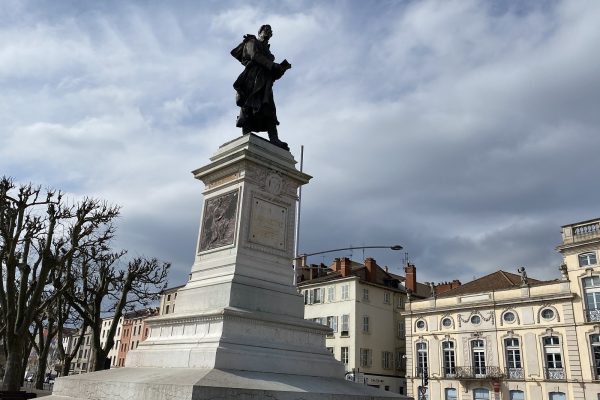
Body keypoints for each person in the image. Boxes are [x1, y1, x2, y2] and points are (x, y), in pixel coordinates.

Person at [232, 25, 291, 151]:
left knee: (269, 107)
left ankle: (274, 138)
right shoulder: (251, 41)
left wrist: (280, 69)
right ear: (260, 32)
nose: (269, 32)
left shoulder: (268, 52)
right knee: (248, 106)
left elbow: (273, 73)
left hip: (265, 82)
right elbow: (255, 56)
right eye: (266, 30)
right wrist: (272, 65)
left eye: (271, 31)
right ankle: (246, 133)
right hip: (251, 78)